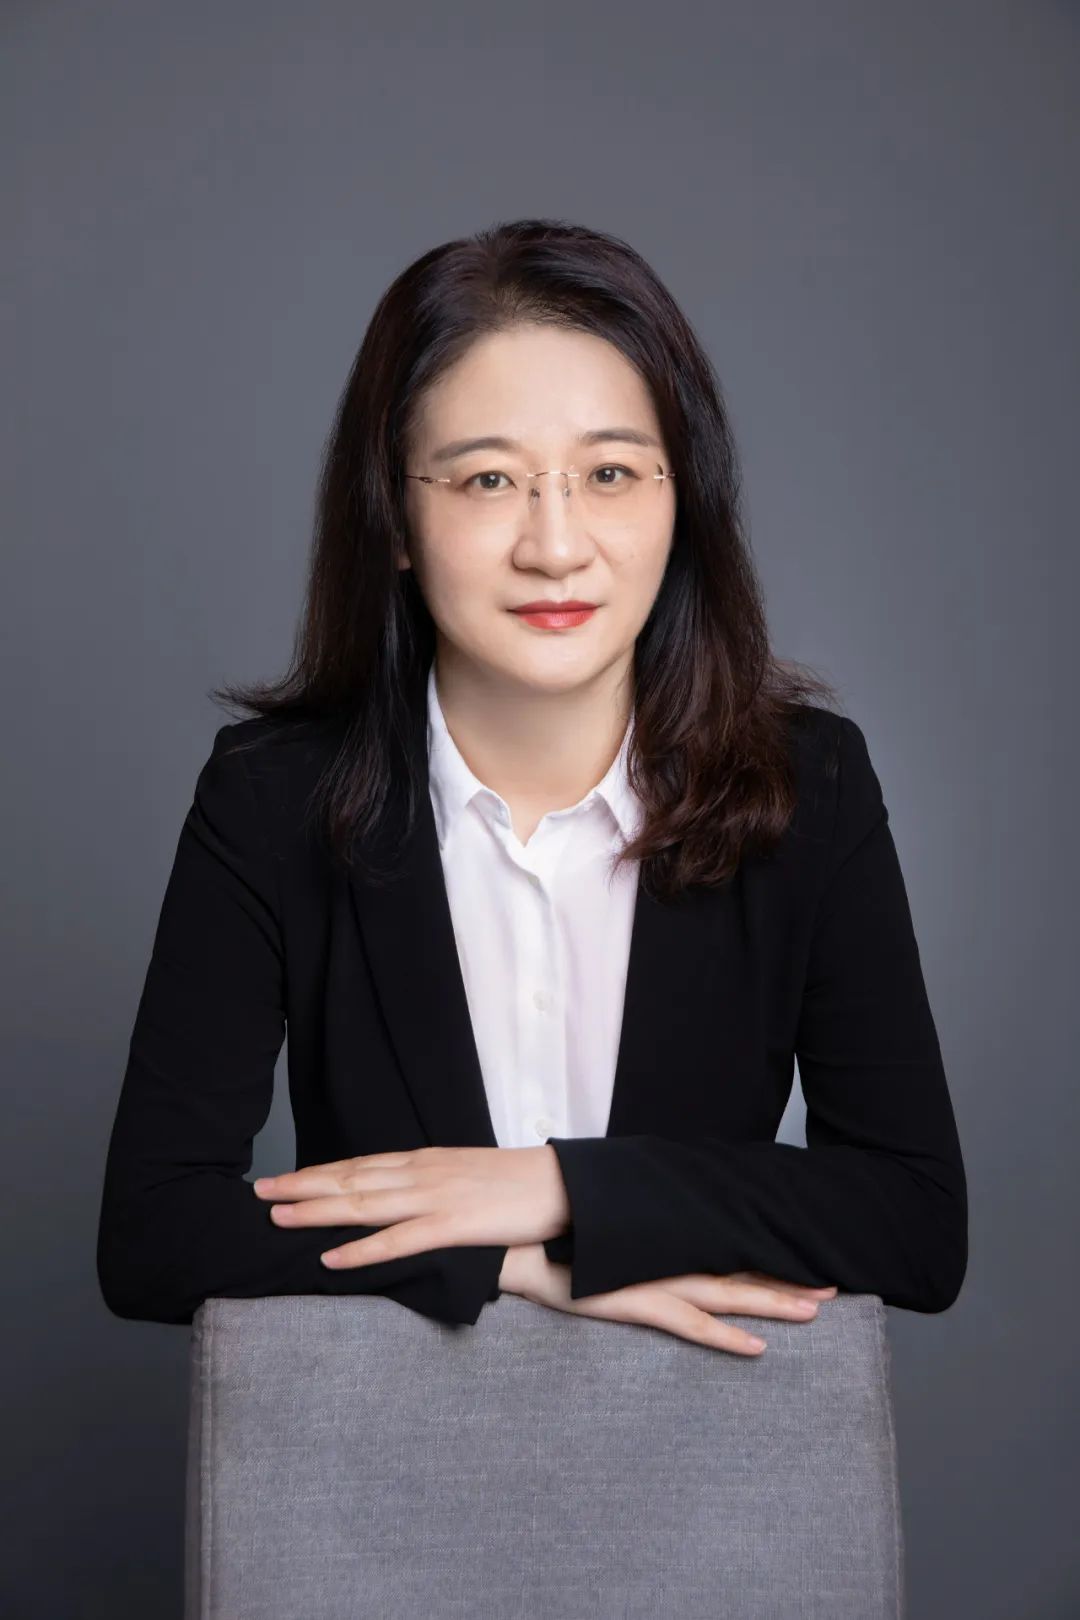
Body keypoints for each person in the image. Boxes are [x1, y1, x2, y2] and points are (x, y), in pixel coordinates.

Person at [96, 217, 967, 1357]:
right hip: (384, 1450)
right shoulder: (271, 801)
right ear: (395, 519)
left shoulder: (814, 786)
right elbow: (154, 1235)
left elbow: (914, 1223)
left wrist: (555, 1188)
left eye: (610, 474)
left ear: (682, 500)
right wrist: (514, 1265)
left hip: (702, 1445)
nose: (555, 547)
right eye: (488, 479)